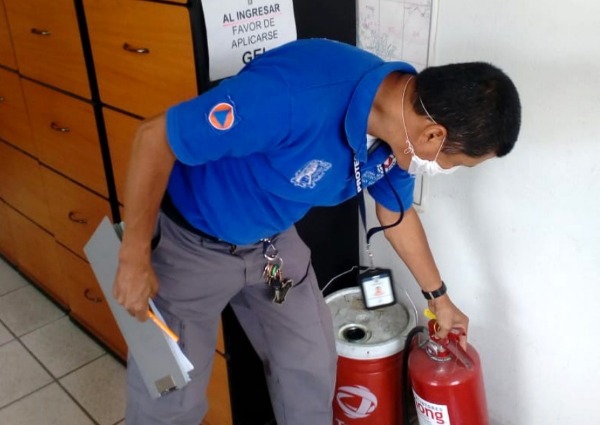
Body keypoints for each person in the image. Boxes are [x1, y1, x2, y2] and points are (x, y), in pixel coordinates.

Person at [113, 38, 521, 425]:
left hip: (272, 245)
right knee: (170, 396)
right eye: (455, 164)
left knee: (309, 365)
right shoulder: (293, 96)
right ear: (434, 135)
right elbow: (154, 137)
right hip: (190, 244)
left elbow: (395, 212)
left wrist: (440, 298)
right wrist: (133, 257)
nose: (444, 170)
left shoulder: (400, 135)